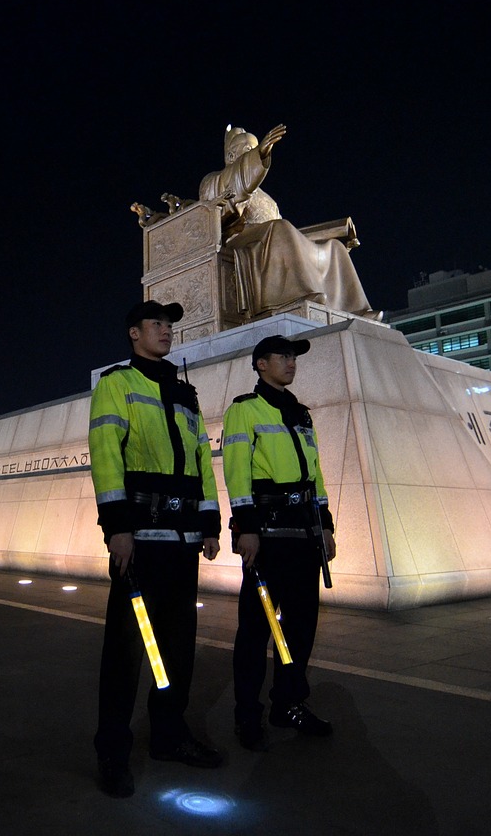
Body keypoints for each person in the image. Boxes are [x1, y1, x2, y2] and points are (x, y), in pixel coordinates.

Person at [89, 299, 223, 798]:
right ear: (133, 333)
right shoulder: (116, 384)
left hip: (183, 543)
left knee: (177, 651)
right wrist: (116, 528)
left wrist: (210, 524)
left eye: (169, 325)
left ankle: (169, 736)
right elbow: (106, 456)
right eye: (156, 324)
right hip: (139, 543)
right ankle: (112, 751)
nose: (166, 331)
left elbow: (202, 464)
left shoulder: (185, 393)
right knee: (126, 654)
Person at [222, 334, 338, 751]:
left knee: (301, 628)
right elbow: (236, 472)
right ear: (260, 364)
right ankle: (247, 714)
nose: (291, 363)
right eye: (283, 356)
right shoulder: (243, 410)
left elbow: (316, 476)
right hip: (267, 538)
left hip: (304, 535)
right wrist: (245, 528)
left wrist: (325, 525)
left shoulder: (302, 414)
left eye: (294, 357)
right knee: (257, 630)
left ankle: (288, 703)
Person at [199, 124, 380, 321]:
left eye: (256, 149)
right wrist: (258, 156)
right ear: (231, 157)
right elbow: (224, 200)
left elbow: (287, 239)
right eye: (248, 151)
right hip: (239, 240)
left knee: (335, 248)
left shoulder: (268, 199)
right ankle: (295, 296)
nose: (257, 153)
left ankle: (356, 310)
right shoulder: (214, 181)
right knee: (280, 228)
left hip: (271, 238)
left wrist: (334, 234)